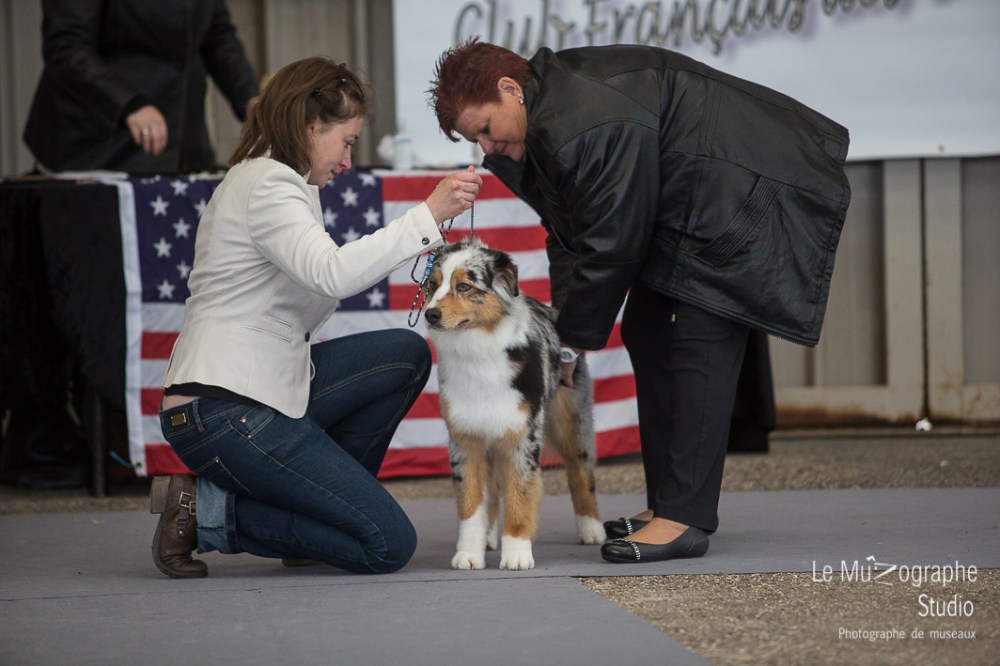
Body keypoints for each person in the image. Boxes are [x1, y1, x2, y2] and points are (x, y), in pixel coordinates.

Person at [429, 39, 851, 564]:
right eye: (475, 140)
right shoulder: (544, 123)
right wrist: (566, 335)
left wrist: (568, 348)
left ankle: (686, 519)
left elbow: (612, 244)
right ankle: (666, 505)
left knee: (695, 340)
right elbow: (569, 234)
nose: (486, 148)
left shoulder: (581, 121)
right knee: (648, 330)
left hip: (741, 192)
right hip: (686, 207)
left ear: (511, 90)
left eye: (486, 130)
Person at [151, 56, 482, 578]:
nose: (349, 160)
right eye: (347, 141)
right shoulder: (269, 185)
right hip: (223, 410)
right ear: (311, 126)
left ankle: (319, 525)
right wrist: (428, 216)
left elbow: (319, 285)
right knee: (388, 546)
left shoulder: (288, 185)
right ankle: (207, 512)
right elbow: (331, 274)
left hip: (265, 389)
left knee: (404, 354)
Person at [23, 0, 260, 174]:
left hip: (180, 145)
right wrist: (129, 104)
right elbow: (66, 46)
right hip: (99, 145)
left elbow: (218, 37)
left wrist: (252, 101)